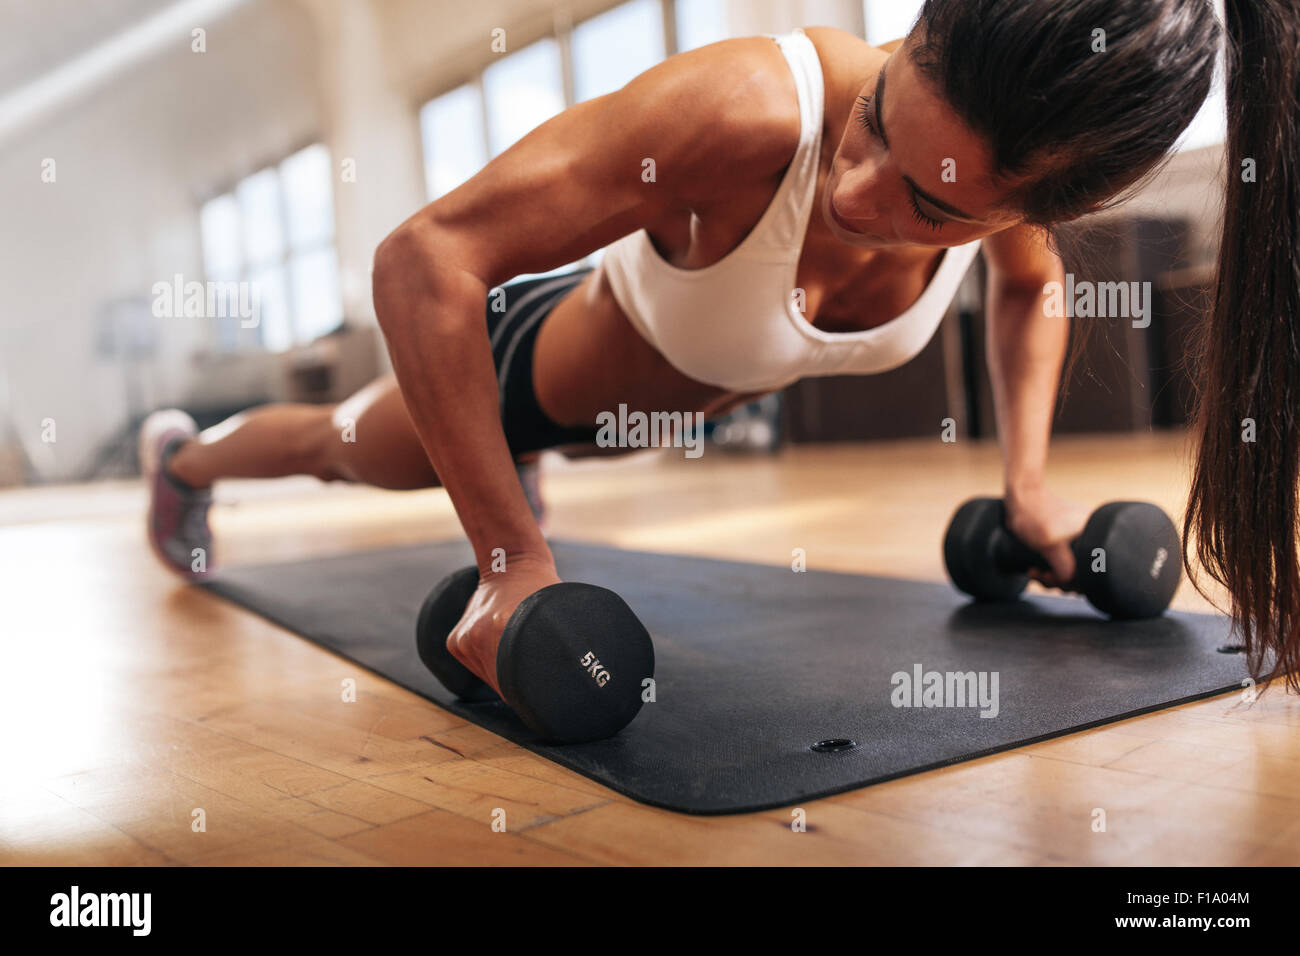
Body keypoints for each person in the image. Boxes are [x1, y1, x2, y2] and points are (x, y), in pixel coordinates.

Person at [142, 0, 1300, 696]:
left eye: (933, 208)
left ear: (1023, 208)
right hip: (528, 370)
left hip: (651, 409)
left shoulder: (1016, 215)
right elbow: (422, 259)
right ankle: (186, 462)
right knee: (346, 446)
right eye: (879, 122)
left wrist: (1028, 491)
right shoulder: (742, 109)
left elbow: (1029, 287)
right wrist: (506, 559)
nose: (854, 192)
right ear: (907, 39)